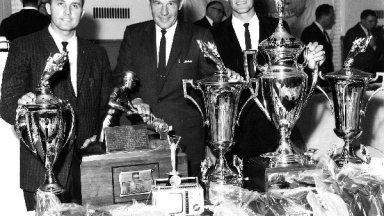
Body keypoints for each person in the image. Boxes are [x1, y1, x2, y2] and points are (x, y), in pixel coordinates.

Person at [0, 0, 118, 211]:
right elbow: (8, 105)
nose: (67, 11)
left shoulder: (96, 53)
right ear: (48, 8)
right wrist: (24, 104)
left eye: (74, 5)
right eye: (61, 3)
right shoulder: (24, 46)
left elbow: (106, 106)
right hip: (40, 170)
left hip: (88, 167)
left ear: (82, 12)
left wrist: (99, 136)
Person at [114, 0, 241, 177]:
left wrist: (225, 76)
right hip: (140, 137)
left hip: (187, 141)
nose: (164, 11)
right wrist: (135, 99)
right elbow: (121, 76)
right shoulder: (133, 33)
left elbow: (212, 85)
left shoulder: (200, 34)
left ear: (180, 5)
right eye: (158, 3)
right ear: (149, 4)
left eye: (171, 4)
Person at [211, 0, 325, 175]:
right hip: (233, 136)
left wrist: (311, 64)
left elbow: (291, 79)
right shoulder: (213, 33)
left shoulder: (278, 26)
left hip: (275, 132)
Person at [344, 9, 384, 74]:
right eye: (370, 21)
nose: (373, 24)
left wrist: (375, 46)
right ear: (363, 21)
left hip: (373, 71)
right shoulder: (352, 33)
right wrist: (368, 44)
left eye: (375, 21)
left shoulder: (375, 31)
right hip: (358, 72)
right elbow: (351, 54)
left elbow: (379, 51)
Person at [301, 4, 335, 77]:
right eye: (331, 17)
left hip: (324, 77)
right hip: (316, 78)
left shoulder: (324, 32)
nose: (333, 20)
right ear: (323, 16)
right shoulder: (309, 31)